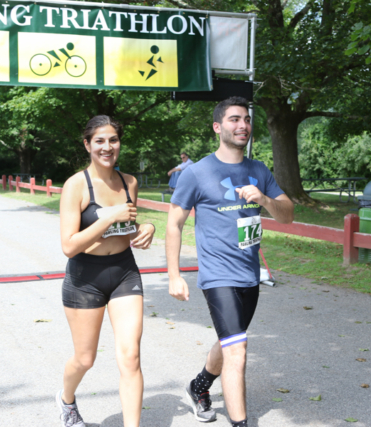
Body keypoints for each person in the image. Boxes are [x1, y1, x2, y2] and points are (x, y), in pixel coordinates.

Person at [165, 97, 294, 427]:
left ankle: (200, 386)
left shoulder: (258, 170)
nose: (243, 126)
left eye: (247, 120)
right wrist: (174, 275)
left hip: (249, 275)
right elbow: (174, 224)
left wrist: (264, 199)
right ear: (217, 127)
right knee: (238, 350)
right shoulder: (196, 173)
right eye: (235, 119)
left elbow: (288, 215)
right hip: (217, 274)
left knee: (229, 341)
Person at [58, 116, 155, 427]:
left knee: (131, 357)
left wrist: (147, 228)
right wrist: (106, 217)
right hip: (85, 277)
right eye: (99, 140)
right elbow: (69, 246)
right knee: (85, 358)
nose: (107, 146)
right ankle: (66, 399)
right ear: (87, 145)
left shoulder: (129, 183)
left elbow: (126, 228)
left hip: (124, 272)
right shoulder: (76, 186)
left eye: (113, 140)